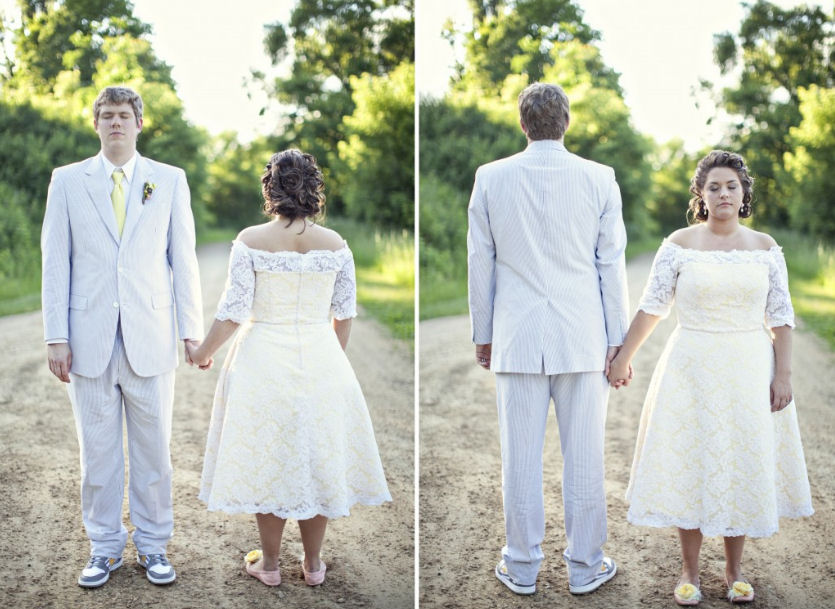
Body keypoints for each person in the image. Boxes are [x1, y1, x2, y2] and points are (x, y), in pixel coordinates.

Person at [607, 150, 813, 605]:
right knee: (694, 460)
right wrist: (622, 356)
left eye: (732, 186)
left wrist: (783, 374)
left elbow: (781, 317)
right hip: (691, 366)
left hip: (748, 365)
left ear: (743, 195)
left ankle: (735, 571)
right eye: (714, 186)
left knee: (739, 458)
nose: (723, 193)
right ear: (701, 195)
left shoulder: (764, 247)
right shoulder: (680, 243)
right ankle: (689, 571)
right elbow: (653, 307)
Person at [188, 148, 391, 588]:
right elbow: (345, 313)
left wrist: (203, 351)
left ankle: (271, 564)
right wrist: (330, 359)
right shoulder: (337, 245)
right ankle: (314, 564)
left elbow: (233, 311)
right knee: (316, 457)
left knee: (271, 459)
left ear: (271, 188)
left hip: (263, 361)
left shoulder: (250, 240)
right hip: (321, 358)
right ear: (314, 188)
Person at [467, 82, 629, 596]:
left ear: (523, 123)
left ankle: (521, 568)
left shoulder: (491, 177)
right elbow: (611, 264)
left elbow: (480, 262)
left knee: (519, 458)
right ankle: (585, 567)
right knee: (585, 458)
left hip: (516, 336)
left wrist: (483, 331)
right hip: (583, 336)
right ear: (566, 122)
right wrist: (617, 342)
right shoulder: (600, 178)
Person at [41, 86, 204, 588]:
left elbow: (184, 260)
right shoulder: (67, 181)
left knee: (154, 451)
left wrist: (191, 332)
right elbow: (55, 260)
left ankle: (153, 547)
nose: (116, 123)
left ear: (138, 123)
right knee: (98, 453)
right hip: (87, 340)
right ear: (97, 125)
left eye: (124, 115)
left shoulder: (169, 181)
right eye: (107, 115)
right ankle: (105, 548)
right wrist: (55, 336)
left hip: (150, 336)